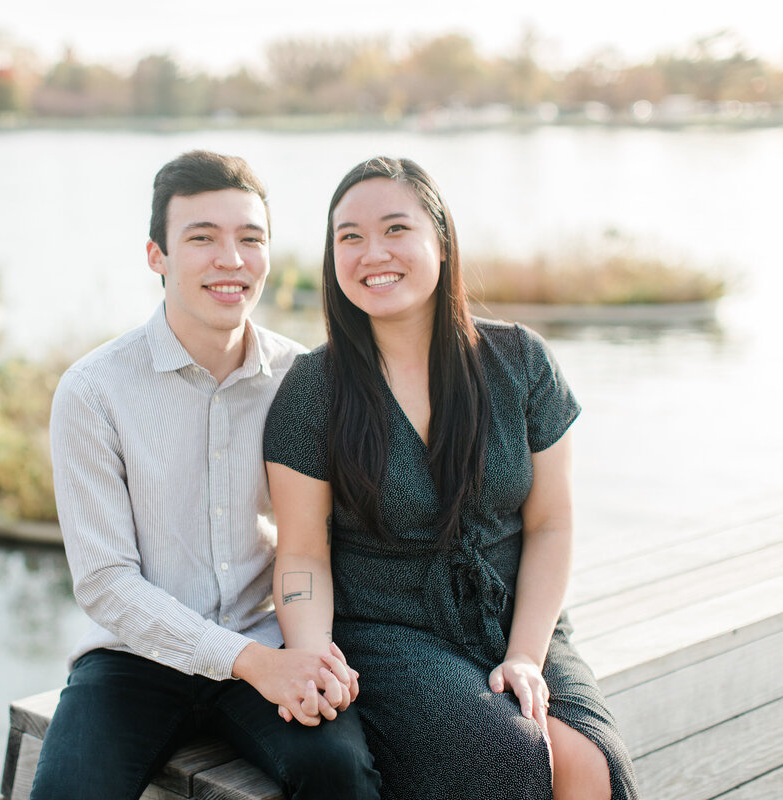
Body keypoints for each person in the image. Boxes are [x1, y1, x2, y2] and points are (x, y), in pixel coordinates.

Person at [264, 156, 639, 799]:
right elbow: (301, 551)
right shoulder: (314, 389)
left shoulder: (520, 360)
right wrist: (311, 655)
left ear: (441, 240)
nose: (371, 252)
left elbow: (551, 523)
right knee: (510, 756)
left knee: (589, 764)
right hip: (389, 633)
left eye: (394, 229)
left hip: (516, 618)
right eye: (348, 236)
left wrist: (525, 652)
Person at [29, 150, 381, 800]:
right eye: (202, 238)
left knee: (343, 773)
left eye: (251, 239)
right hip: (135, 661)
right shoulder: (94, 391)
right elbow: (106, 584)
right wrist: (253, 664)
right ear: (156, 255)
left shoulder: (301, 379)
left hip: (267, 635)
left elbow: (323, 539)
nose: (232, 260)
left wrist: (311, 652)